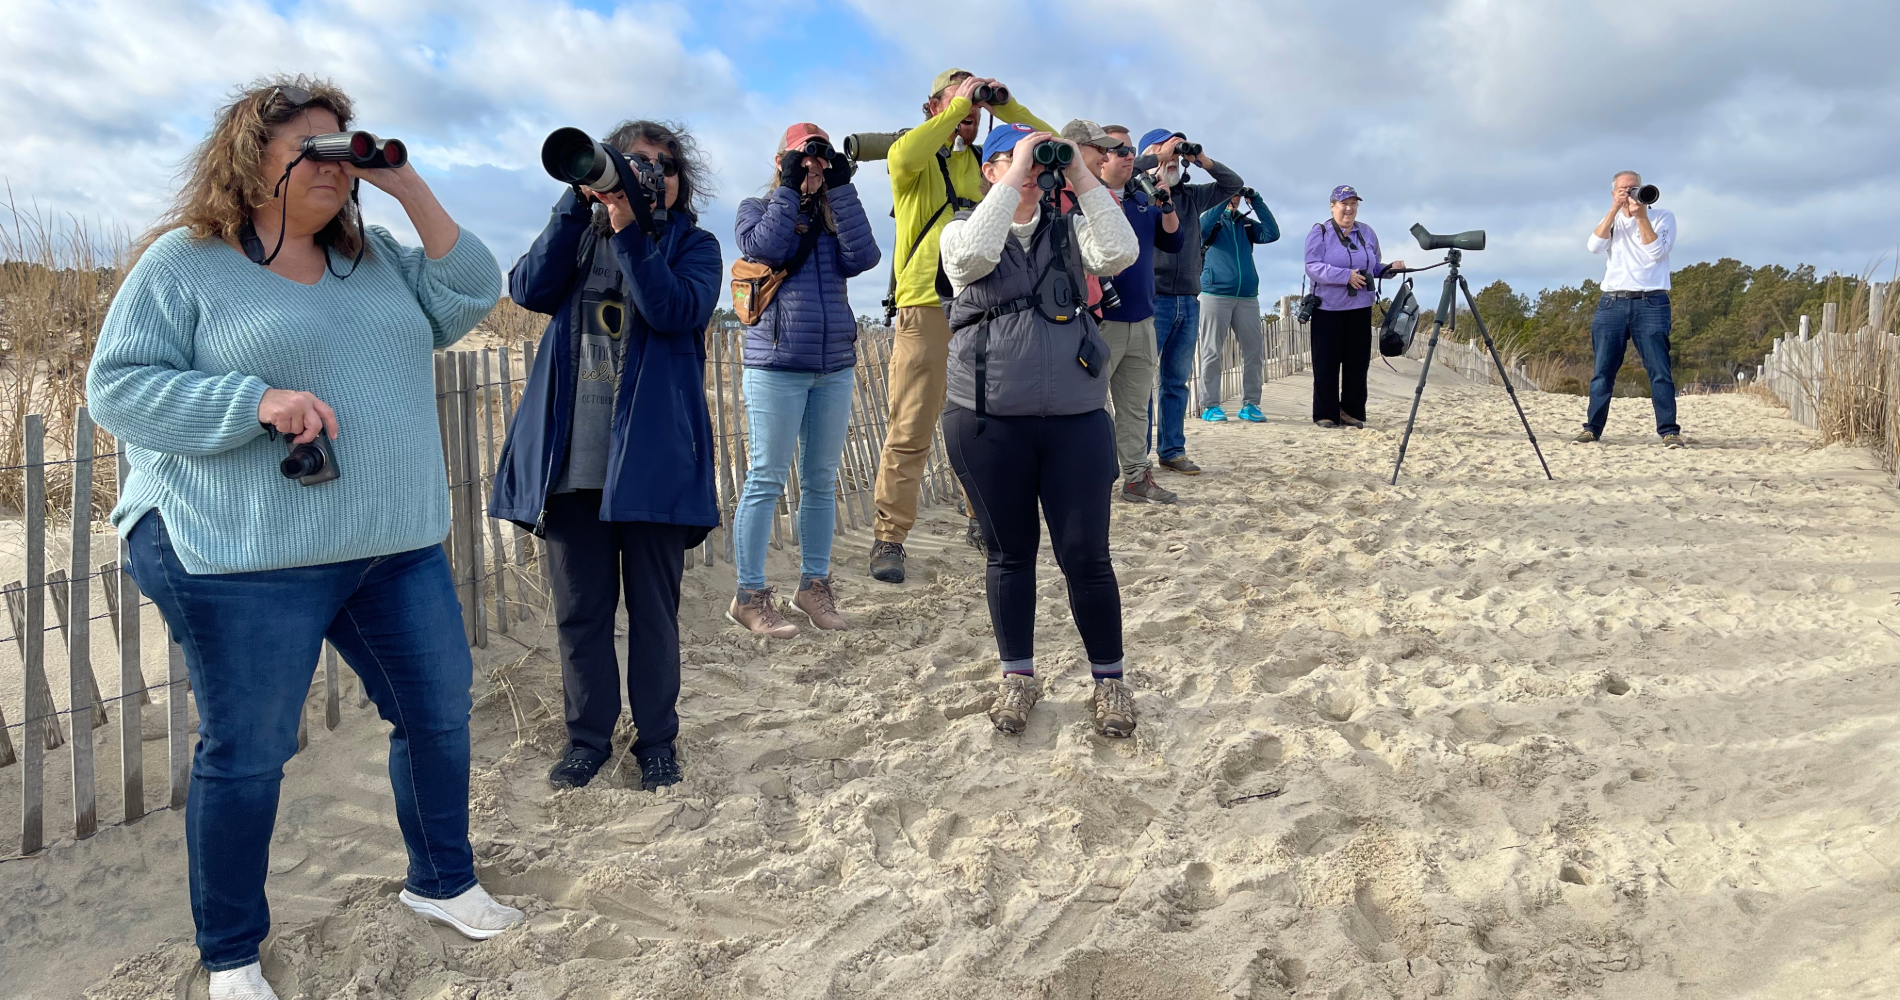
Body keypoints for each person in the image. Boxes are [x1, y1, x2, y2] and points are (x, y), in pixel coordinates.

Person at [86, 77, 521, 1000]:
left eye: (345, 149)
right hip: (241, 554)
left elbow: (475, 288)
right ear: (252, 163)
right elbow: (118, 389)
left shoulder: (379, 260)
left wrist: (402, 184)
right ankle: (232, 954)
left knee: (437, 713)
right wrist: (252, 401)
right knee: (248, 752)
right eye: (313, 150)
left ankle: (442, 882)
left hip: (388, 544)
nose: (336, 165)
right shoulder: (184, 264)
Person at [489, 120, 721, 792]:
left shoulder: (695, 246)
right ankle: (587, 738)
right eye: (636, 162)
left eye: (666, 166)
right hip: (571, 465)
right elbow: (528, 288)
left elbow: (673, 310)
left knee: (653, 613)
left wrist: (631, 231)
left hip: (654, 463)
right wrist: (579, 198)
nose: (653, 174)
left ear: (682, 184)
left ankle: (656, 742)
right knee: (581, 613)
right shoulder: (577, 233)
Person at [938, 123, 1140, 737]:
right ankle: (1017, 677)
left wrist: (1078, 172)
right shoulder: (960, 230)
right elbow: (972, 258)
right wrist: (1019, 164)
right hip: (987, 419)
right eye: (1007, 158)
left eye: (1033, 159)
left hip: (1076, 419)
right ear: (988, 172)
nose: (1026, 167)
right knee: (1010, 555)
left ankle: (1109, 682)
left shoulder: (1072, 230)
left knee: (1087, 556)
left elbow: (1121, 252)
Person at [870, 69, 1051, 584]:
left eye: (978, 102)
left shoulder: (990, 164)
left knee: (985, 421)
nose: (972, 107)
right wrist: (955, 109)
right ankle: (890, 537)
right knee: (911, 428)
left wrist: (1009, 107)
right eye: (959, 99)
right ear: (933, 107)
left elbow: (1050, 143)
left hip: (983, 310)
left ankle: (981, 519)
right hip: (925, 306)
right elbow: (903, 155)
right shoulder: (915, 160)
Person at [728, 124, 881, 637]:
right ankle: (749, 594)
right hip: (775, 363)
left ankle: (813, 588)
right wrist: (790, 189)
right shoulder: (756, 207)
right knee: (766, 478)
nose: (813, 164)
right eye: (802, 158)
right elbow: (765, 250)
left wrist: (840, 187)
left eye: (820, 157)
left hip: (833, 364)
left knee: (821, 481)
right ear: (781, 163)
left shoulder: (835, 217)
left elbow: (865, 258)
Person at [1072, 121, 1185, 504]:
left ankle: (1137, 477)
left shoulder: (1141, 198)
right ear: (1100, 159)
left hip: (1143, 318)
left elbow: (1173, 240)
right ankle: (1084, 480)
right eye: (1118, 151)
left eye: (1130, 151)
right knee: (1085, 408)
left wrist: (1166, 204)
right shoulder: (1085, 200)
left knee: (1136, 408)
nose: (1126, 157)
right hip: (1101, 322)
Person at [1141, 129, 1245, 476]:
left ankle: (1172, 450)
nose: (1172, 156)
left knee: (1176, 381)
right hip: (1151, 298)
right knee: (1140, 383)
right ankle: (1136, 456)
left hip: (1188, 298)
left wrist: (1200, 160)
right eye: (1164, 149)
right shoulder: (1135, 193)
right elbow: (1117, 179)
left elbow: (1233, 183)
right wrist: (1156, 161)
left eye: (1176, 151)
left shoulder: (1190, 196)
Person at [1577, 170, 1680, 447]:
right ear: (1614, 193)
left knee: (1659, 370)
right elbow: (1594, 247)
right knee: (1603, 371)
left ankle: (1669, 431)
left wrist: (1641, 215)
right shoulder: (1610, 219)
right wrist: (1614, 211)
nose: (1629, 193)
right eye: (1623, 189)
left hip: (1652, 301)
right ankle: (1592, 429)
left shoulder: (1662, 216)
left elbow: (1656, 252)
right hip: (1612, 301)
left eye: (1634, 188)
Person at [1303, 185, 1403, 428]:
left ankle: (1351, 411)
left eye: (1353, 204)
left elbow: (1373, 266)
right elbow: (1312, 266)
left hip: (1360, 307)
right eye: (1343, 203)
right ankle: (1325, 413)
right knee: (1326, 363)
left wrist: (1390, 269)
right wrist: (1344, 276)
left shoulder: (1367, 232)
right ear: (1332, 206)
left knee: (1357, 363)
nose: (1348, 208)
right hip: (1328, 308)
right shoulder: (1320, 233)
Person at [1196, 187, 1280, 423]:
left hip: (1247, 296)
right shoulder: (1210, 219)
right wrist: (1220, 201)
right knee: (1212, 351)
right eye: (1229, 193)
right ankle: (1210, 405)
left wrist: (1256, 199)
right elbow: (1200, 230)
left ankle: (1251, 404)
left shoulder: (1246, 225)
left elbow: (1272, 233)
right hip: (1214, 294)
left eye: (1236, 194)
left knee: (1254, 351)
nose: (1233, 198)